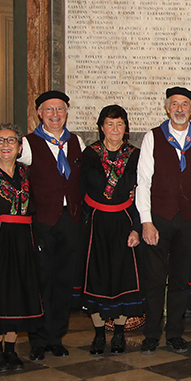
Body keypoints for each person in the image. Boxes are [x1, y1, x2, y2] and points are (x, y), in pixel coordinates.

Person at [137, 86, 191, 353]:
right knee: (155, 279)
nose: (180, 109)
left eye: (185, 104)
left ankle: (174, 334)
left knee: (181, 280)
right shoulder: (153, 137)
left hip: (190, 220)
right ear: (167, 108)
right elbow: (143, 182)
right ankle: (151, 334)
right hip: (159, 218)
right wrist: (146, 221)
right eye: (175, 104)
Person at [20, 90, 84, 360]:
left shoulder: (76, 141)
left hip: (70, 222)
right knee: (41, 281)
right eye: (49, 110)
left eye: (60, 109)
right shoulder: (27, 144)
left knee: (63, 281)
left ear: (66, 112)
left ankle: (56, 336)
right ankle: (37, 339)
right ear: (39, 113)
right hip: (43, 222)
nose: (55, 115)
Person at [81, 105, 145, 354]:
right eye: (109, 124)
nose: (115, 130)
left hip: (125, 220)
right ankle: (99, 334)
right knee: (96, 277)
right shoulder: (89, 154)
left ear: (126, 128)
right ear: (101, 127)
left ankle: (118, 333)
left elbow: (140, 192)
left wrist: (136, 228)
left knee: (122, 276)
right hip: (96, 222)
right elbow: (87, 187)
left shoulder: (136, 155)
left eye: (119, 124)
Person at [0, 123, 42, 372]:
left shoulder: (27, 173)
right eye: (0, 141)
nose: (6, 145)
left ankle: (11, 349)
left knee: (18, 291)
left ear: (19, 147)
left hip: (24, 237)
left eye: (11, 141)